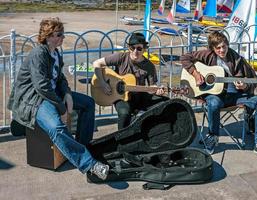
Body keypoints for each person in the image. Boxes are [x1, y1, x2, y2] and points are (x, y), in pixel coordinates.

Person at [7, 17, 109, 179]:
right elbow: (41, 86)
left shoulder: (55, 53)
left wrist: (67, 94)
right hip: (35, 99)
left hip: (52, 94)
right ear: (48, 36)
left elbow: (59, 78)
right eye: (59, 34)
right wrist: (61, 107)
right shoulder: (38, 54)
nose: (63, 37)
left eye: (63, 34)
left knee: (88, 103)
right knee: (55, 127)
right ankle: (89, 164)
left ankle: (82, 146)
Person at [180, 31, 257, 163]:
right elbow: (184, 58)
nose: (222, 50)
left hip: (236, 96)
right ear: (212, 48)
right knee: (213, 103)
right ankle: (213, 136)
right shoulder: (206, 55)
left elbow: (253, 78)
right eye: (218, 48)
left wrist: (244, 87)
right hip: (215, 96)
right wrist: (195, 74)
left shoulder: (237, 59)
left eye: (224, 46)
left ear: (227, 45)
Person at [93, 32, 169, 130]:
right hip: (120, 97)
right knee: (125, 113)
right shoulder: (121, 57)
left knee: (165, 103)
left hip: (139, 96)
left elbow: (151, 87)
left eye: (139, 48)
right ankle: (122, 139)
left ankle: (154, 132)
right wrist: (103, 83)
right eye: (132, 48)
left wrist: (157, 90)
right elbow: (97, 63)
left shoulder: (149, 66)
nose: (135, 51)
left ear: (144, 49)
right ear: (129, 48)